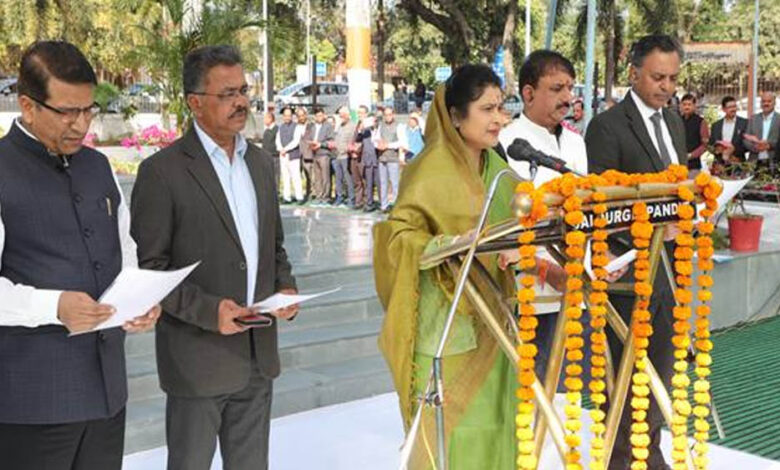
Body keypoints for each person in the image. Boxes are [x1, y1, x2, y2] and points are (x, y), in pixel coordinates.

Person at [130, 45, 299, 470]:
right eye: (227, 94)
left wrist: (285, 286)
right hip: (196, 361)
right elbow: (151, 270)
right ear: (195, 102)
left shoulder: (260, 163)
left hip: (257, 356)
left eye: (243, 91)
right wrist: (209, 311)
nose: (241, 102)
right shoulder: (162, 172)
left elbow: (273, 246)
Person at [0, 40, 159, 469]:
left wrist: (140, 301)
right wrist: (54, 305)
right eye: (68, 112)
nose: (81, 125)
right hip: (29, 403)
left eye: (89, 110)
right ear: (27, 106)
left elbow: (124, 251)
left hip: (106, 396)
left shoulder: (98, 166)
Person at [374, 64, 519, 469]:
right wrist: (448, 246)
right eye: (487, 109)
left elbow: (522, 227)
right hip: (446, 330)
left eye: (501, 108)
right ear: (455, 116)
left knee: (496, 428)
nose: (498, 118)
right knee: (451, 437)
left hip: (497, 324)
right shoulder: (428, 170)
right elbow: (396, 239)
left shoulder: (501, 171)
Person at [585, 34, 687, 470]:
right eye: (658, 77)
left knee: (660, 369)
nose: (667, 87)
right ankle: (621, 460)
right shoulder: (607, 127)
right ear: (633, 73)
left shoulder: (675, 122)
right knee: (625, 378)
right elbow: (600, 208)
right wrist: (653, 225)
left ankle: (650, 454)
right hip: (627, 273)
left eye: (673, 78)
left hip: (669, 270)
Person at [498, 49, 588, 380]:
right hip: (529, 291)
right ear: (528, 93)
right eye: (557, 88)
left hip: (575, 284)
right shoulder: (506, 143)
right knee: (530, 389)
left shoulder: (576, 143)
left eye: (570, 88)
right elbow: (503, 221)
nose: (567, 97)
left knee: (569, 389)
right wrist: (536, 264)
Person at [376, 106, 406, 212]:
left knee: (394, 183)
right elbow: (376, 138)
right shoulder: (381, 126)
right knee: (383, 182)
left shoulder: (399, 126)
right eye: (386, 115)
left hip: (393, 158)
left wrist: (388, 145)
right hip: (382, 157)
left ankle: (396, 205)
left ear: (393, 115)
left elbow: (402, 142)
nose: (387, 117)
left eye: (389, 114)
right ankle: (384, 205)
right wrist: (378, 144)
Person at [276, 106, 306, 204]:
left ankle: (299, 197)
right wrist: (280, 149)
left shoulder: (297, 127)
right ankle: (287, 197)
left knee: (296, 177)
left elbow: (296, 141)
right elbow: (278, 140)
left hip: (293, 155)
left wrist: (285, 149)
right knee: (285, 177)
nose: (287, 117)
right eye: (285, 115)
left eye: (289, 115)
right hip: (283, 156)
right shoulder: (280, 127)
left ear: (292, 116)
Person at [744, 91, 780, 169]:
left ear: (774, 103)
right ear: (760, 103)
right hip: (754, 162)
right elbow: (745, 139)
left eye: (769, 101)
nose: (766, 103)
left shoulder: (779, 119)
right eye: (763, 101)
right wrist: (755, 147)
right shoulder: (753, 119)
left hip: (774, 163)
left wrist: (769, 145)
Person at [354, 105, 380, 212]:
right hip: (367, 158)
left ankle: (383, 204)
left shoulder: (372, 122)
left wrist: (373, 124)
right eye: (358, 113)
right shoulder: (360, 125)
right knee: (368, 182)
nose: (359, 115)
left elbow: (377, 129)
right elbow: (357, 139)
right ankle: (369, 203)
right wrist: (360, 130)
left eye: (361, 113)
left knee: (379, 182)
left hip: (377, 156)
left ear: (366, 113)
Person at [709, 95, 748, 165]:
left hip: (738, 163)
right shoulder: (716, 125)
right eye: (730, 107)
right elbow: (711, 144)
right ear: (723, 109)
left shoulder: (744, 123)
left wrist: (734, 149)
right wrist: (718, 149)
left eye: (734, 106)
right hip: (719, 164)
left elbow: (748, 145)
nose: (733, 109)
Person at [309, 107, 335, 205]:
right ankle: (319, 196)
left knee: (325, 177)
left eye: (320, 115)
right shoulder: (313, 127)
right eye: (317, 116)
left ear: (324, 115)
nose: (319, 117)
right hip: (315, 154)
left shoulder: (328, 126)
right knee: (317, 177)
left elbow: (331, 140)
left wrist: (320, 144)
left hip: (324, 154)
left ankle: (326, 197)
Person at [332, 105, 356, 207]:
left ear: (347, 115)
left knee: (348, 179)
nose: (340, 117)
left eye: (342, 115)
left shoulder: (352, 126)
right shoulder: (340, 126)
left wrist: (346, 149)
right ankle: (339, 197)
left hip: (346, 156)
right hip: (337, 156)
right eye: (340, 115)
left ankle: (351, 198)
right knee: (338, 178)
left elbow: (352, 141)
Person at [679, 93, 710, 171]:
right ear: (681, 106)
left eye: (689, 104)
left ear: (694, 106)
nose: (686, 107)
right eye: (684, 104)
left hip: (693, 165)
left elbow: (705, 145)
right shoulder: (677, 121)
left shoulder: (701, 122)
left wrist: (691, 155)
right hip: (677, 164)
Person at [262, 110, 280, 187]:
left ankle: (276, 191)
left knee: (275, 175)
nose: (264, 120)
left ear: (270, 119)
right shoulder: (266, 130)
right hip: (266, 156)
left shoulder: (276, 130)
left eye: (265, 118)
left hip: (274, 156)